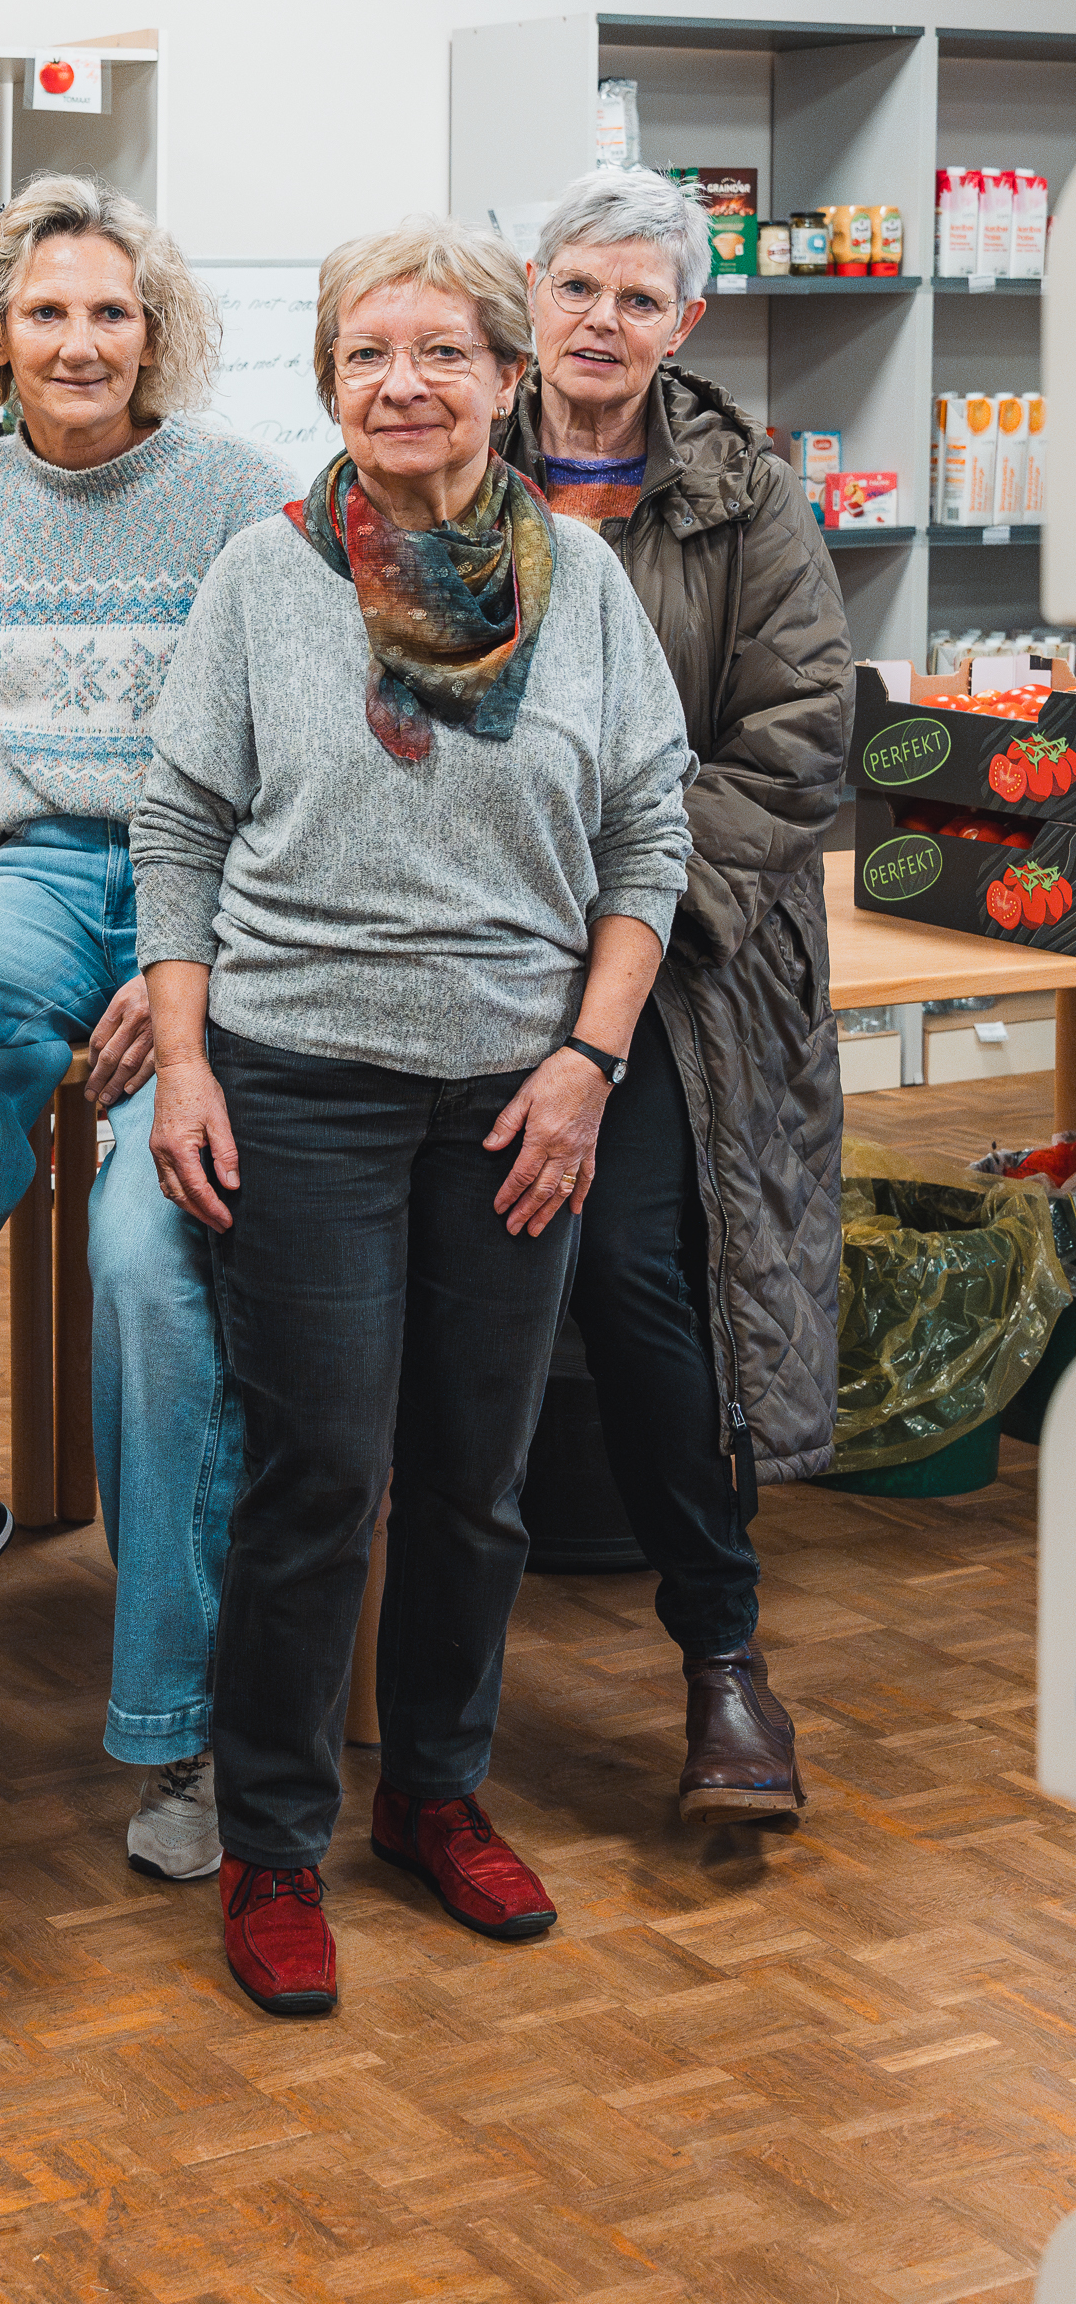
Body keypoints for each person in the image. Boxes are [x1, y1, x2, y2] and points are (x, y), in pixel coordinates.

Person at [132, 218, 692, 2016]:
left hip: (517, 1092)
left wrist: (586, 1065)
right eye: (368, 352)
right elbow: (181, 827)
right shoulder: (262, 576)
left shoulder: (586, 589)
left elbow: (649, 835)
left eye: (444, 351)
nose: (404, 384)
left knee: (476, 1477)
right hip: (301, 1082)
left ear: (511, 381)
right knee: (321, 1476)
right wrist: (193, 1059)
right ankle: (278, 1841)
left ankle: (434, 1799)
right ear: (329, 382)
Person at [0, 174, 289, 1887]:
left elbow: (295, 766)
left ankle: (183, 1735)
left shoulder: (249, 499)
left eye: (109, 310)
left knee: (147, 1268)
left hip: (211, 898)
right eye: (45, 311)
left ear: (154, 331)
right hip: (18, 874)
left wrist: (187, 978)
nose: (79, 341)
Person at [497, 166, 853, 1822]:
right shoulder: (438, 451)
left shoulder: (742, 499)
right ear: (532, 288)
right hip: (456, 949)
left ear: (685, 324)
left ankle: (723, 1659)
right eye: (581, 288)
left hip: (672, 971)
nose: (605, 324)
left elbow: (792, 752)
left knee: (640, 1271)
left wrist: (619, 915)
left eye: (642, 300)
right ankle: (409, 1675)